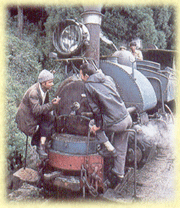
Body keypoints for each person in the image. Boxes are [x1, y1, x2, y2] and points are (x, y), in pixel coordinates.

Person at [79, 63, 132, 180]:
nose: (80, 77)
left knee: (92, 124)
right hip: (127, 118)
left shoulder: (88, 85)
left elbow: (95, 109)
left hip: (116, 122)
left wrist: (98, 126)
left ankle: (109, 148)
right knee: (121, 148)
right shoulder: (107, 78)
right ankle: (119, 174)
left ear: (86, 76)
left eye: (81, 74)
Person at [15, 69, 60, 158]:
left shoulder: (44, 90)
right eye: (50, 82)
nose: (52, 84)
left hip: (33, 115)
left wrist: (51, 105)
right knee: (46, 120)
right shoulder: (34, 93)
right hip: (27, 120)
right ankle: (38, 146)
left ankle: (41, 144)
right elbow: (36, 110)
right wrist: (51, 104)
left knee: (50, 118)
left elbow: (45, 108)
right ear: (43, 83)